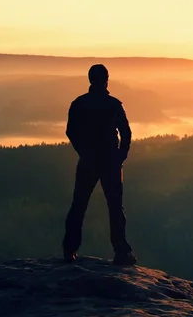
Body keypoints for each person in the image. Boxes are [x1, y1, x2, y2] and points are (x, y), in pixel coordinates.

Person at [62, 64, 137, 266]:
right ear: (106, 80)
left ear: (89, 80)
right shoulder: (113, 105)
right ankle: (121, 252)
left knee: (79, 204)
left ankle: (69, 250)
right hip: (111, 161)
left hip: (88, 161)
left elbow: (70, 131)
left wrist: (82, 150)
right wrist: (121, 156)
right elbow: (126, 132)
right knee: (115, 207)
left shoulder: (79, 104)